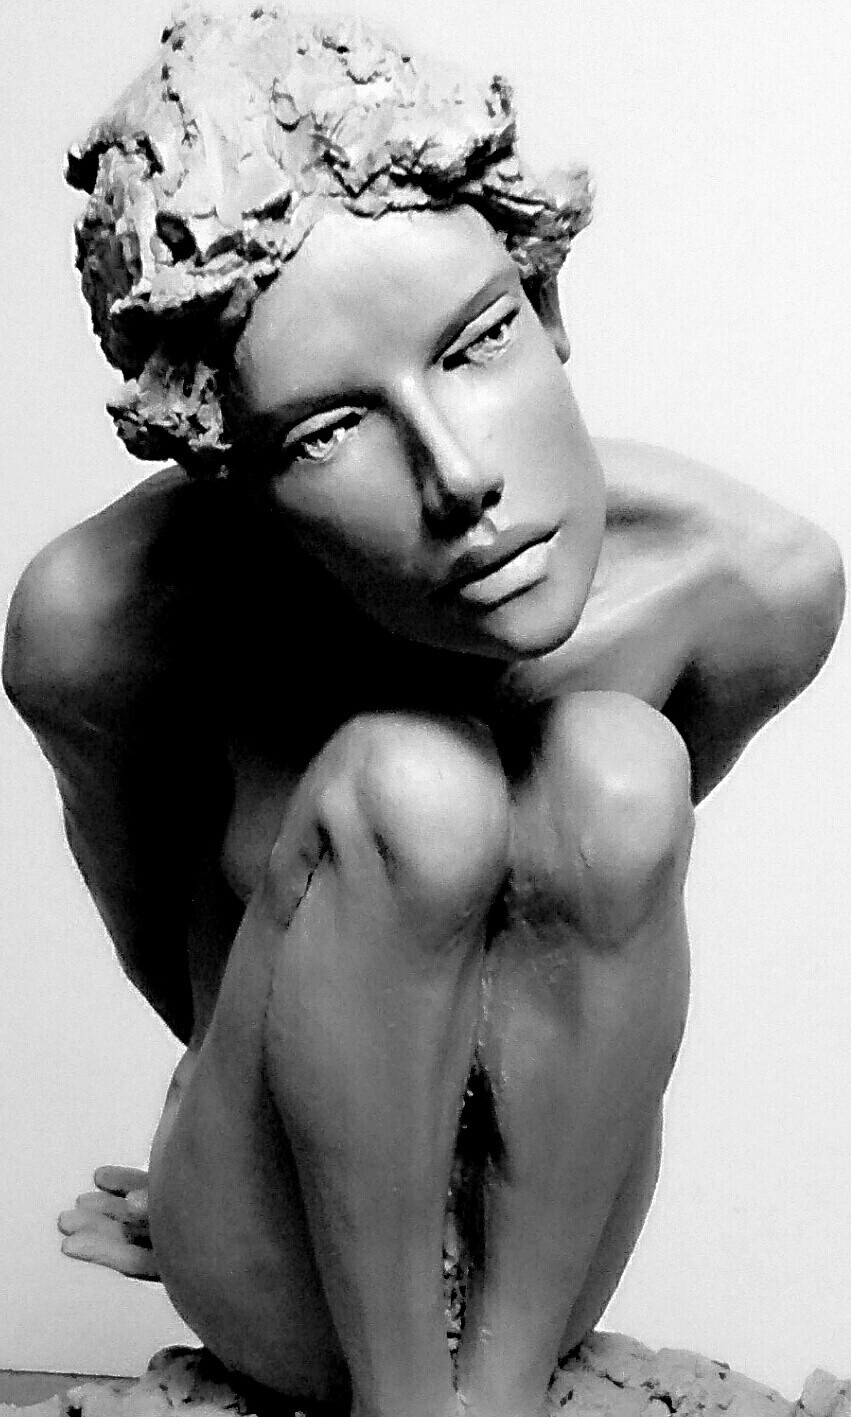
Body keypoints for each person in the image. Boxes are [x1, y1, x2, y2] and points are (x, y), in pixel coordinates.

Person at [2, 8, 844, 1417]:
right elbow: (163, 934)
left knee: (618, 773)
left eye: (477, 342)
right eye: (330, 431)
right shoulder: (104, 625)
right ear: (234, 475)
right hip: (274, 1239)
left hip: (543, 1247)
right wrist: (247, 1117)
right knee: (414, 788)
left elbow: (587, 931)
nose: (459, 477)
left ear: (548, 305)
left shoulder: (749, 587)